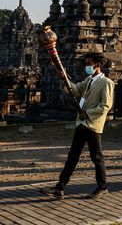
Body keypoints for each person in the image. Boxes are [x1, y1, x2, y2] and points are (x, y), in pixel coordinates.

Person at [40, 53, 114, 200]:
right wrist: (64, 78)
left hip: (92, 124)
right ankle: (60, 187)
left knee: (97, 157)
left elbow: (105, 105)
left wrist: (86, 113)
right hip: (81, 123)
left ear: (97, 65)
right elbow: (74, 90)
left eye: (88, 63)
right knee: (72, 157)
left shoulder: (106, 83)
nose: (86, 66)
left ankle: (102, 187)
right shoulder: (88, 80)